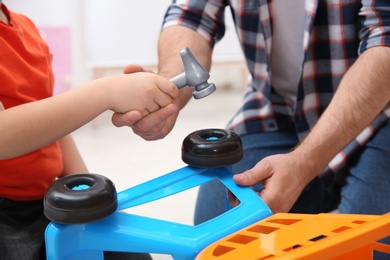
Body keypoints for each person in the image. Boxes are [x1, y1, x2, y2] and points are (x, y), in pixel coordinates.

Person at [113, 1, 390, 259]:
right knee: (217, 238)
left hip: (381, 115)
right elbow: (191, 16)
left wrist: (303, 164)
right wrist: (167, 86)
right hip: (277, 111)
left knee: (371, 246)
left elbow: (385, 40)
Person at [0, 2, 179, 260]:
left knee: (128, 251)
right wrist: (106, 92)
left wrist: (87, 190)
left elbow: (53, 127)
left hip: (47, 198)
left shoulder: (26, 28)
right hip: (5, 214)